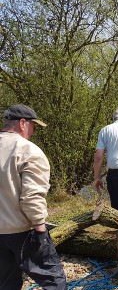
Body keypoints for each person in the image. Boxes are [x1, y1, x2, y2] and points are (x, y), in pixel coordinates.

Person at [0, 104, 67, 290]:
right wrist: (40, 230)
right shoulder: (29, 151)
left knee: (6, 282)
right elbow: (31, 197)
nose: (34, 131)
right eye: (33, 126)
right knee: (53, 279)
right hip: (22, 230)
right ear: (23, 123)